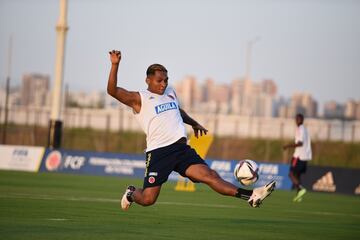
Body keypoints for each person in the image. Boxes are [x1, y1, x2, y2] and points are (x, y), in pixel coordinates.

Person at [107, 50, 275, 210]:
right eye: (159, 80)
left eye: (166, 80)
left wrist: (194, 123)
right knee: (147, 199)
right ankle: (131, 193)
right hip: (159, 153)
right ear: (148, 80)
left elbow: (177, 111)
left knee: (210, 175)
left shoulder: (170, 92)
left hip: (181, 149)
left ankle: (251, 195)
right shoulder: (139, 98)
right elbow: (112, 91)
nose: (164, 83)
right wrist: (115, 65)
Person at [283, 113, 312, 202]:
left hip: (299, 156)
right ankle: (298, 196)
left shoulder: (300, 129)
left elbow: (300, 143)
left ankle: (300, 188)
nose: (296, 120)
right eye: (296, 119)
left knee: (291, 174)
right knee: (297, 175)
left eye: (298, 119)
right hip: (305, 156)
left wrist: (288, 146)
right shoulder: (305, 129)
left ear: (301, 120)